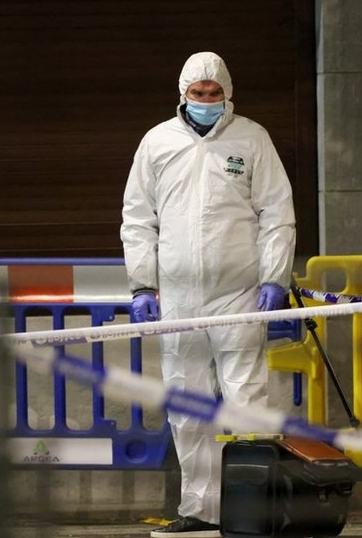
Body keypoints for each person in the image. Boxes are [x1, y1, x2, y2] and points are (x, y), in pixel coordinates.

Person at [120, 51, 296, 537]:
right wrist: (141, 283)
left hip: (238, 295)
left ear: (228, 93)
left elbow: (277, 214)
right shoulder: (157, 142)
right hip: (176, 299)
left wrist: (274, 277)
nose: (206, 101)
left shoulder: (252, 139)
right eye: (198, 94)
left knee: (246, 399)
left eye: (213, 94)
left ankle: (250, 510)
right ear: (182, 94)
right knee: (186, 404)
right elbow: (138, 218)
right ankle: (200, 509)